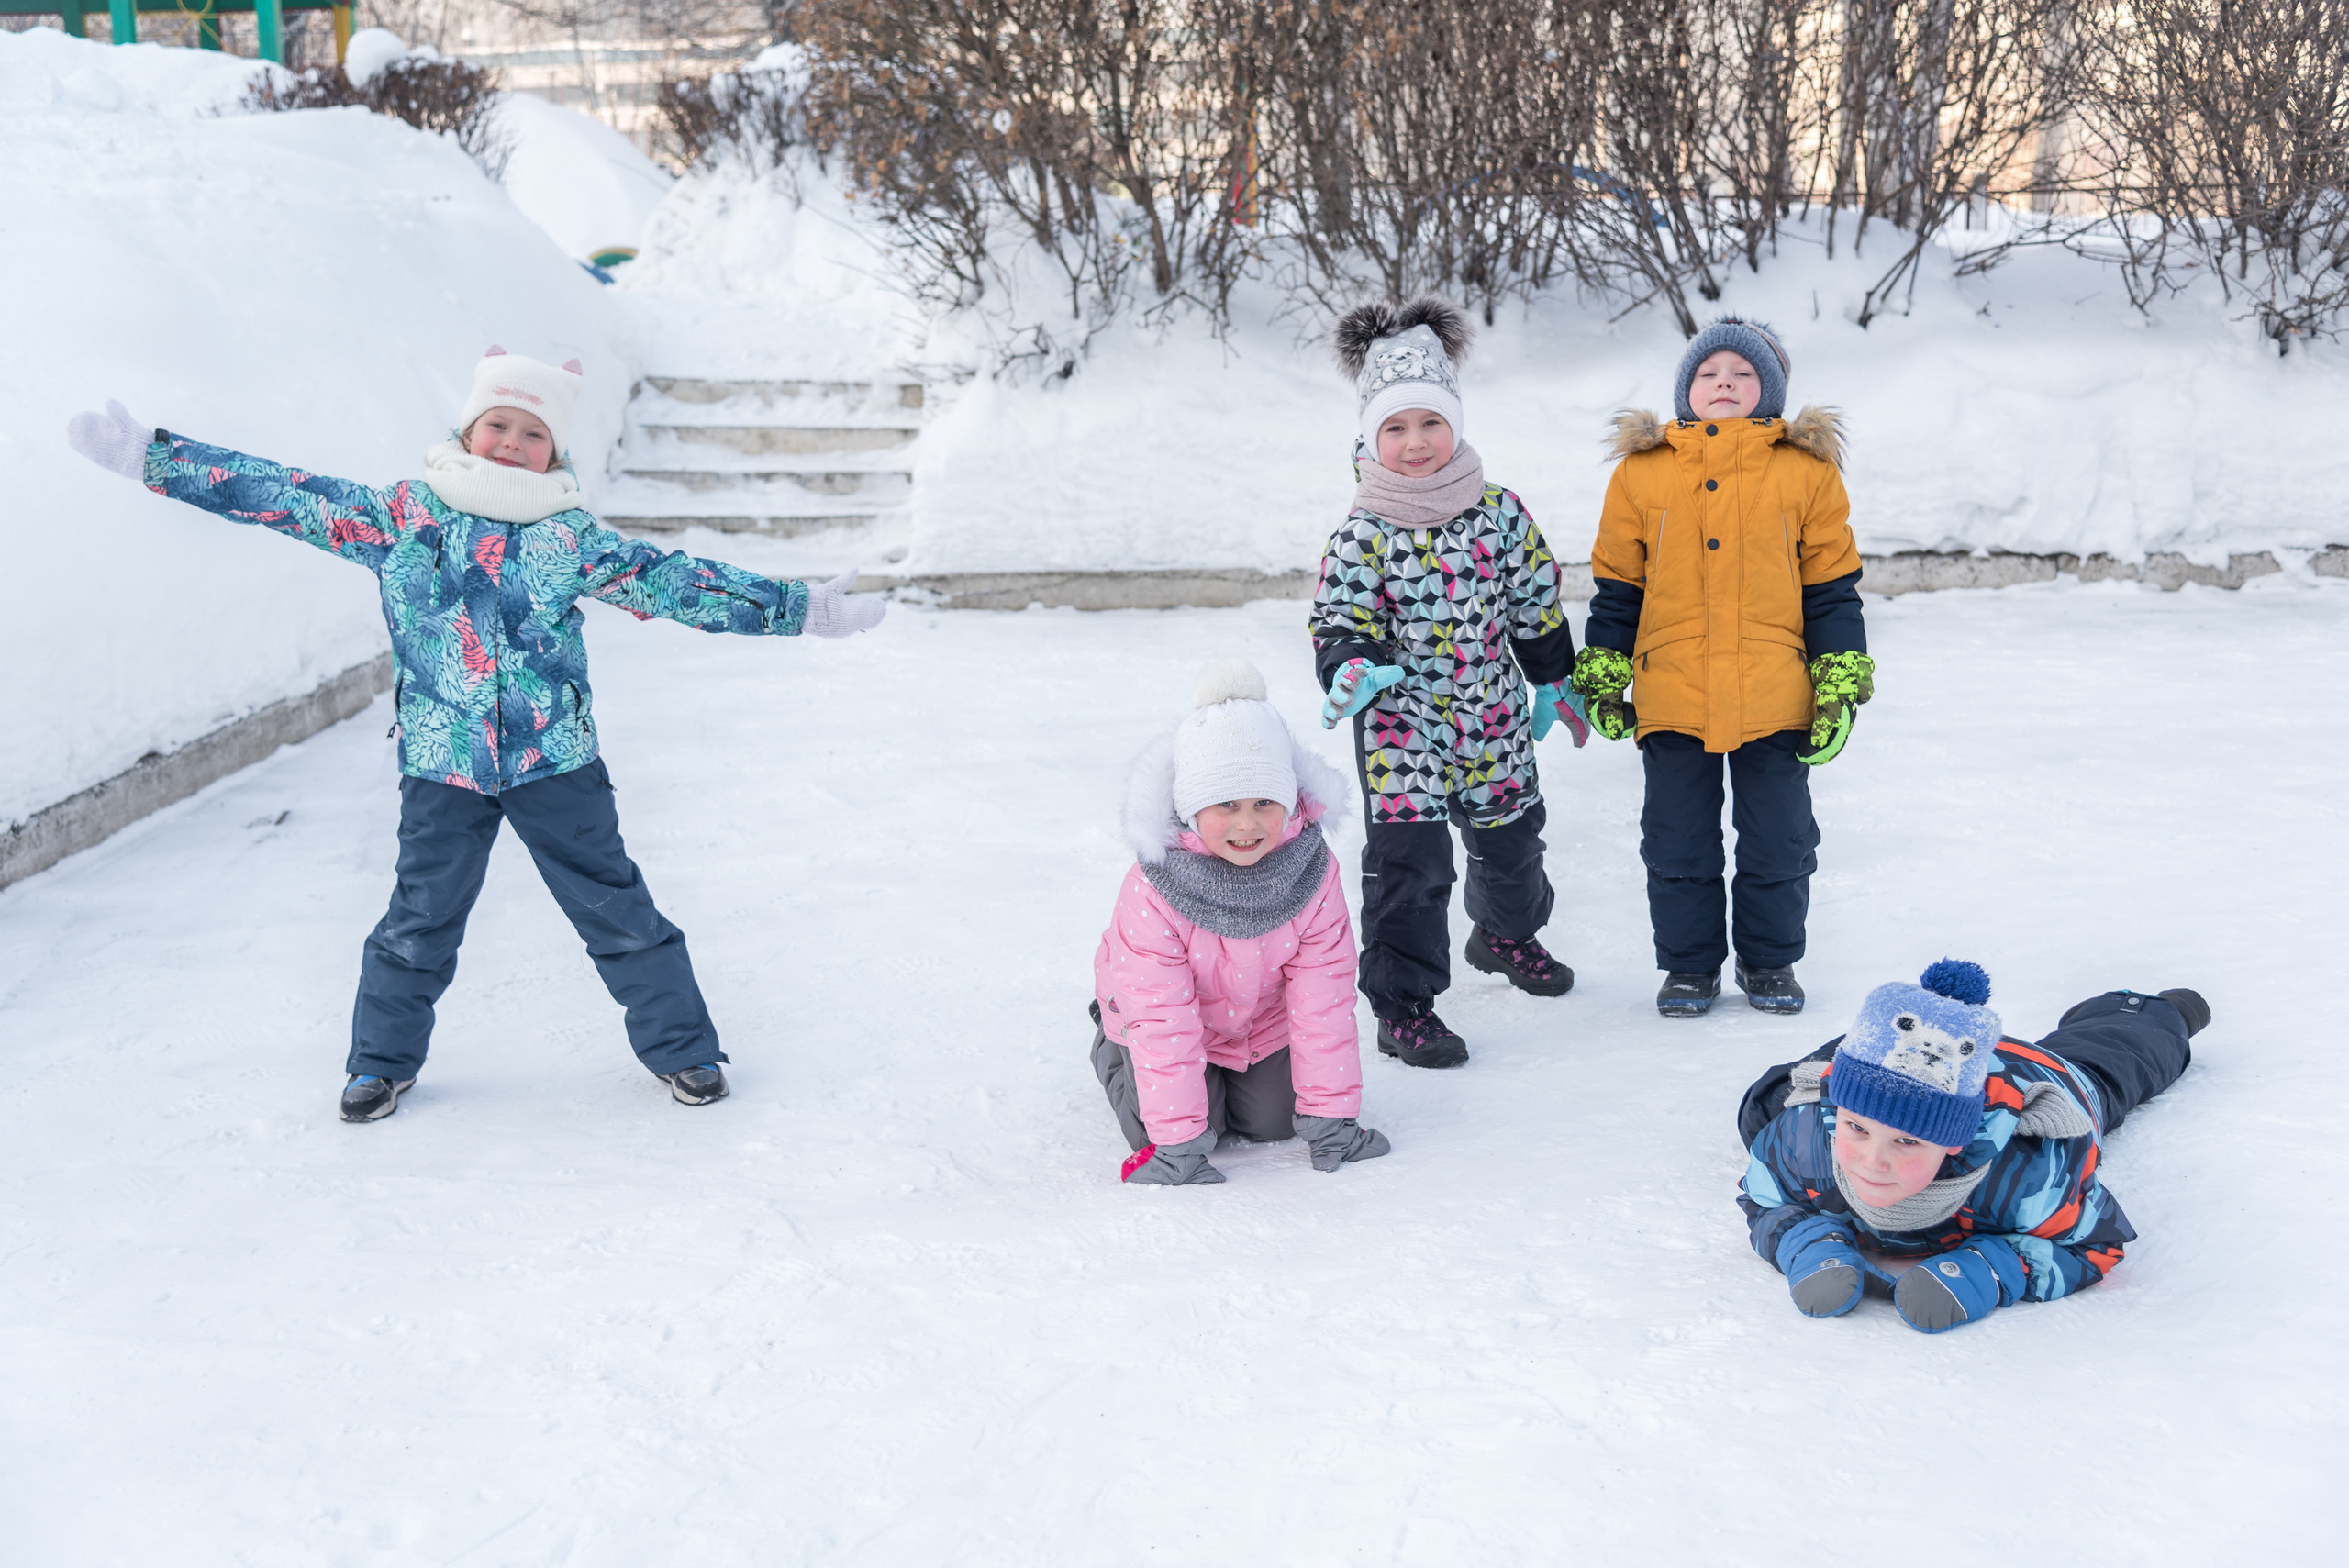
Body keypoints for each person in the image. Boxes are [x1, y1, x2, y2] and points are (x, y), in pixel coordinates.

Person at [65, 348, 886, 1122]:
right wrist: (154, 458)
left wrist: (802, 608)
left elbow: (676, 584)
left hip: (555, 762)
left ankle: (685, 1052)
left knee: (617, 908)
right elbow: (283, 493)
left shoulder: (570, 539)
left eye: (534, 434)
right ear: (466, 432)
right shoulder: (401, 519)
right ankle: (379, 1063)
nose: (513, 442)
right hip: (442, 763)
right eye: (499, 424)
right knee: (420, 918)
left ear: (553, 452)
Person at [1308, 296, 1582, 1070]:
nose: (1415, 441)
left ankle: (1506, 932)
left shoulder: (1499, 512)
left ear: (1455, 425)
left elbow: (1534, 596)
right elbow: (1340, 616)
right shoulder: (1362, 530)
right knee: (1410, 864)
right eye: (1395, 427)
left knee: (1514, 842)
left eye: (1430, 422)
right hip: (1401, 720)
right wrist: (1350, 664)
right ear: (1370, 437)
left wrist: (1554, 679)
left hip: (1492, 710)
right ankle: (1406, 1005)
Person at [1575, 317, 1871, 1018]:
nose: (1725, 383)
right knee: (1678, 841)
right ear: (1686, 390)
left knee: (1780, 840)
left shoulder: (1806, 473)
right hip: (1672, 693)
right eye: (1709, 374)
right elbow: (1619, 587)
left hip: (1776, 694)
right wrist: (1602, 670)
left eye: (1742, 374)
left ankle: (1770, 962)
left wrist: (1839, 682)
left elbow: (1831, 588)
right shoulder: (1642, 474)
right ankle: (1689, 965)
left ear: (1767, 391)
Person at [1736, 960, 2205, 1332]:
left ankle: (2149, 1013)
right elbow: (1764, 1196)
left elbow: (2093, 1245)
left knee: (2116, 1063)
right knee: (1760, 1114)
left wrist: (1984, 1271)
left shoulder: (2027, 1174)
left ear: (1954, 1145)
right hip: (1898, 1064)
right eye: (1857, 1130)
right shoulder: (1806, 1138)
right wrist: (1810, 1244)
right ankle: (1886, 1065)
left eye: (1906, 1141)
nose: (1873, 1160)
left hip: (2041, 1073)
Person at [1090, 659, 1390, 1185]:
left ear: (1291, 801)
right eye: (1225, 804)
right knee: (1163, 1128)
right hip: (1162, 1021)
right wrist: (1178, 1141)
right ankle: (1112, 1048)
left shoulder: (1311, 873)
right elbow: (1163, 1017)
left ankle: (1231, 1089)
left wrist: (1331, 1119)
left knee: (1276, 1125)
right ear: (1190, 805)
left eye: (1265, 803)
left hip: (1256, 1026)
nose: (1247, 824)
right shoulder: (1155, 887)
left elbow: (1324, 1001)